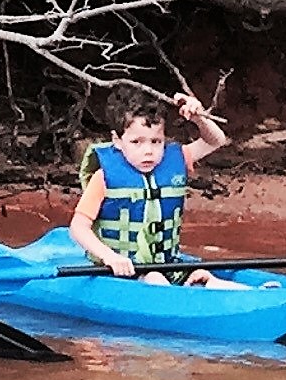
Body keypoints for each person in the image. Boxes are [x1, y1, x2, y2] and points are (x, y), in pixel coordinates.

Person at [70, 90, 231, 286]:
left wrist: (199, 119)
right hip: (122, 270)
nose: (148, 151)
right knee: (154, 278)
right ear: (117, 140)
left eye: (156, 142)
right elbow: (78, 227)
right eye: (136, 142)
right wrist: (109, 257)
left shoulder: (176, 158)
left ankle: (256, 295)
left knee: (200, 274)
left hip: (167, 265)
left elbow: (216, 141)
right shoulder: (103, 177)